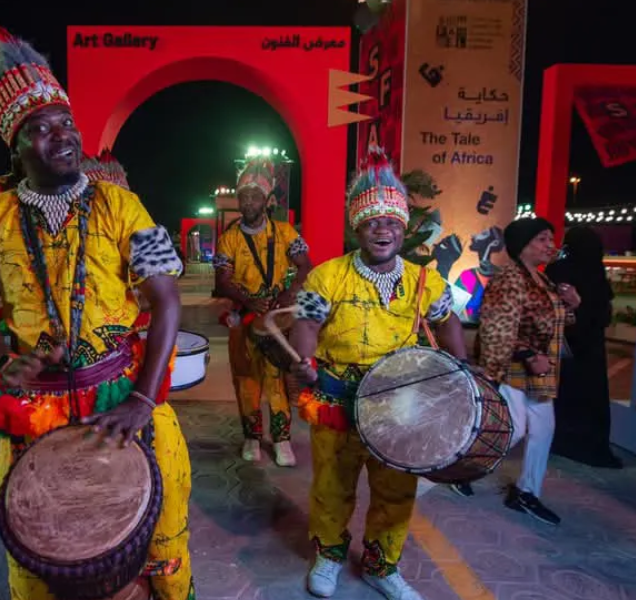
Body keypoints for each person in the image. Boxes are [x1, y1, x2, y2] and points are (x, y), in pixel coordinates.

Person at [0, 13, 194, 599]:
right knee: (40, 561)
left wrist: (143, 399)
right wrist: (1, 359)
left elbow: (166, 301)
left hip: (124, 397)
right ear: (16, 146)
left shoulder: (121, 205)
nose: (61, 135)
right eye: (40, 127)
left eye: (66, 121)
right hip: (36, 410)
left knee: (162, 549)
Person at [288, 146, 467, 599]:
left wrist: (460, 369)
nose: (382, 230)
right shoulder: (326, 276)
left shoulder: (425, 280)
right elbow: (305, 324)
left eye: (391, 222)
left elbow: (448, 321)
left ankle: (381, 565)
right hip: (337, 398)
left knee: (396, 487)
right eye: (372, 223)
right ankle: (329, 555)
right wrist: (305, 361)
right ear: (358, 228)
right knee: (332, 485)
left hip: (398, 403)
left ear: (403, 229)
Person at [451, 217, 580, 526]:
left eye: (551, 239)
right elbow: (496, 327)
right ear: (522, 245)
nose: (550, 245)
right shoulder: (509, 279)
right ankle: (462, 470)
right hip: (514, 366)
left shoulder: (542, 279)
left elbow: (553, 320)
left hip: (541, 369)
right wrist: (527, 354)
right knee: (514, 429)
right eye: (542, 239)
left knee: (543, 430)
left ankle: (526, 492)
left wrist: (572, 304)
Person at [214, 156, 312, 467]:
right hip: (243, 317)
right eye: (243, 196)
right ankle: (252, 437)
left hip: (275, 317)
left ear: (267, 200)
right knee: (246, 380)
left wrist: (287, 293)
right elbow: (222, 280)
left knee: (277, 381)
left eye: (255, 196)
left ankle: (282, 440)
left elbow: (305, 265)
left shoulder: (285, 233)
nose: (248, 202)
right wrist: (248, 300)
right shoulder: (229, 238)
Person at [545, 226, 621, 468]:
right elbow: (603, 315)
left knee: (565, 394)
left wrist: (577, 305)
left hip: (565, 343)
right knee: (592, 396)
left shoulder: (558, 270)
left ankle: (563, 441)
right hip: (591, 347)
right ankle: (590, 445)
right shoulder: (596, 272)